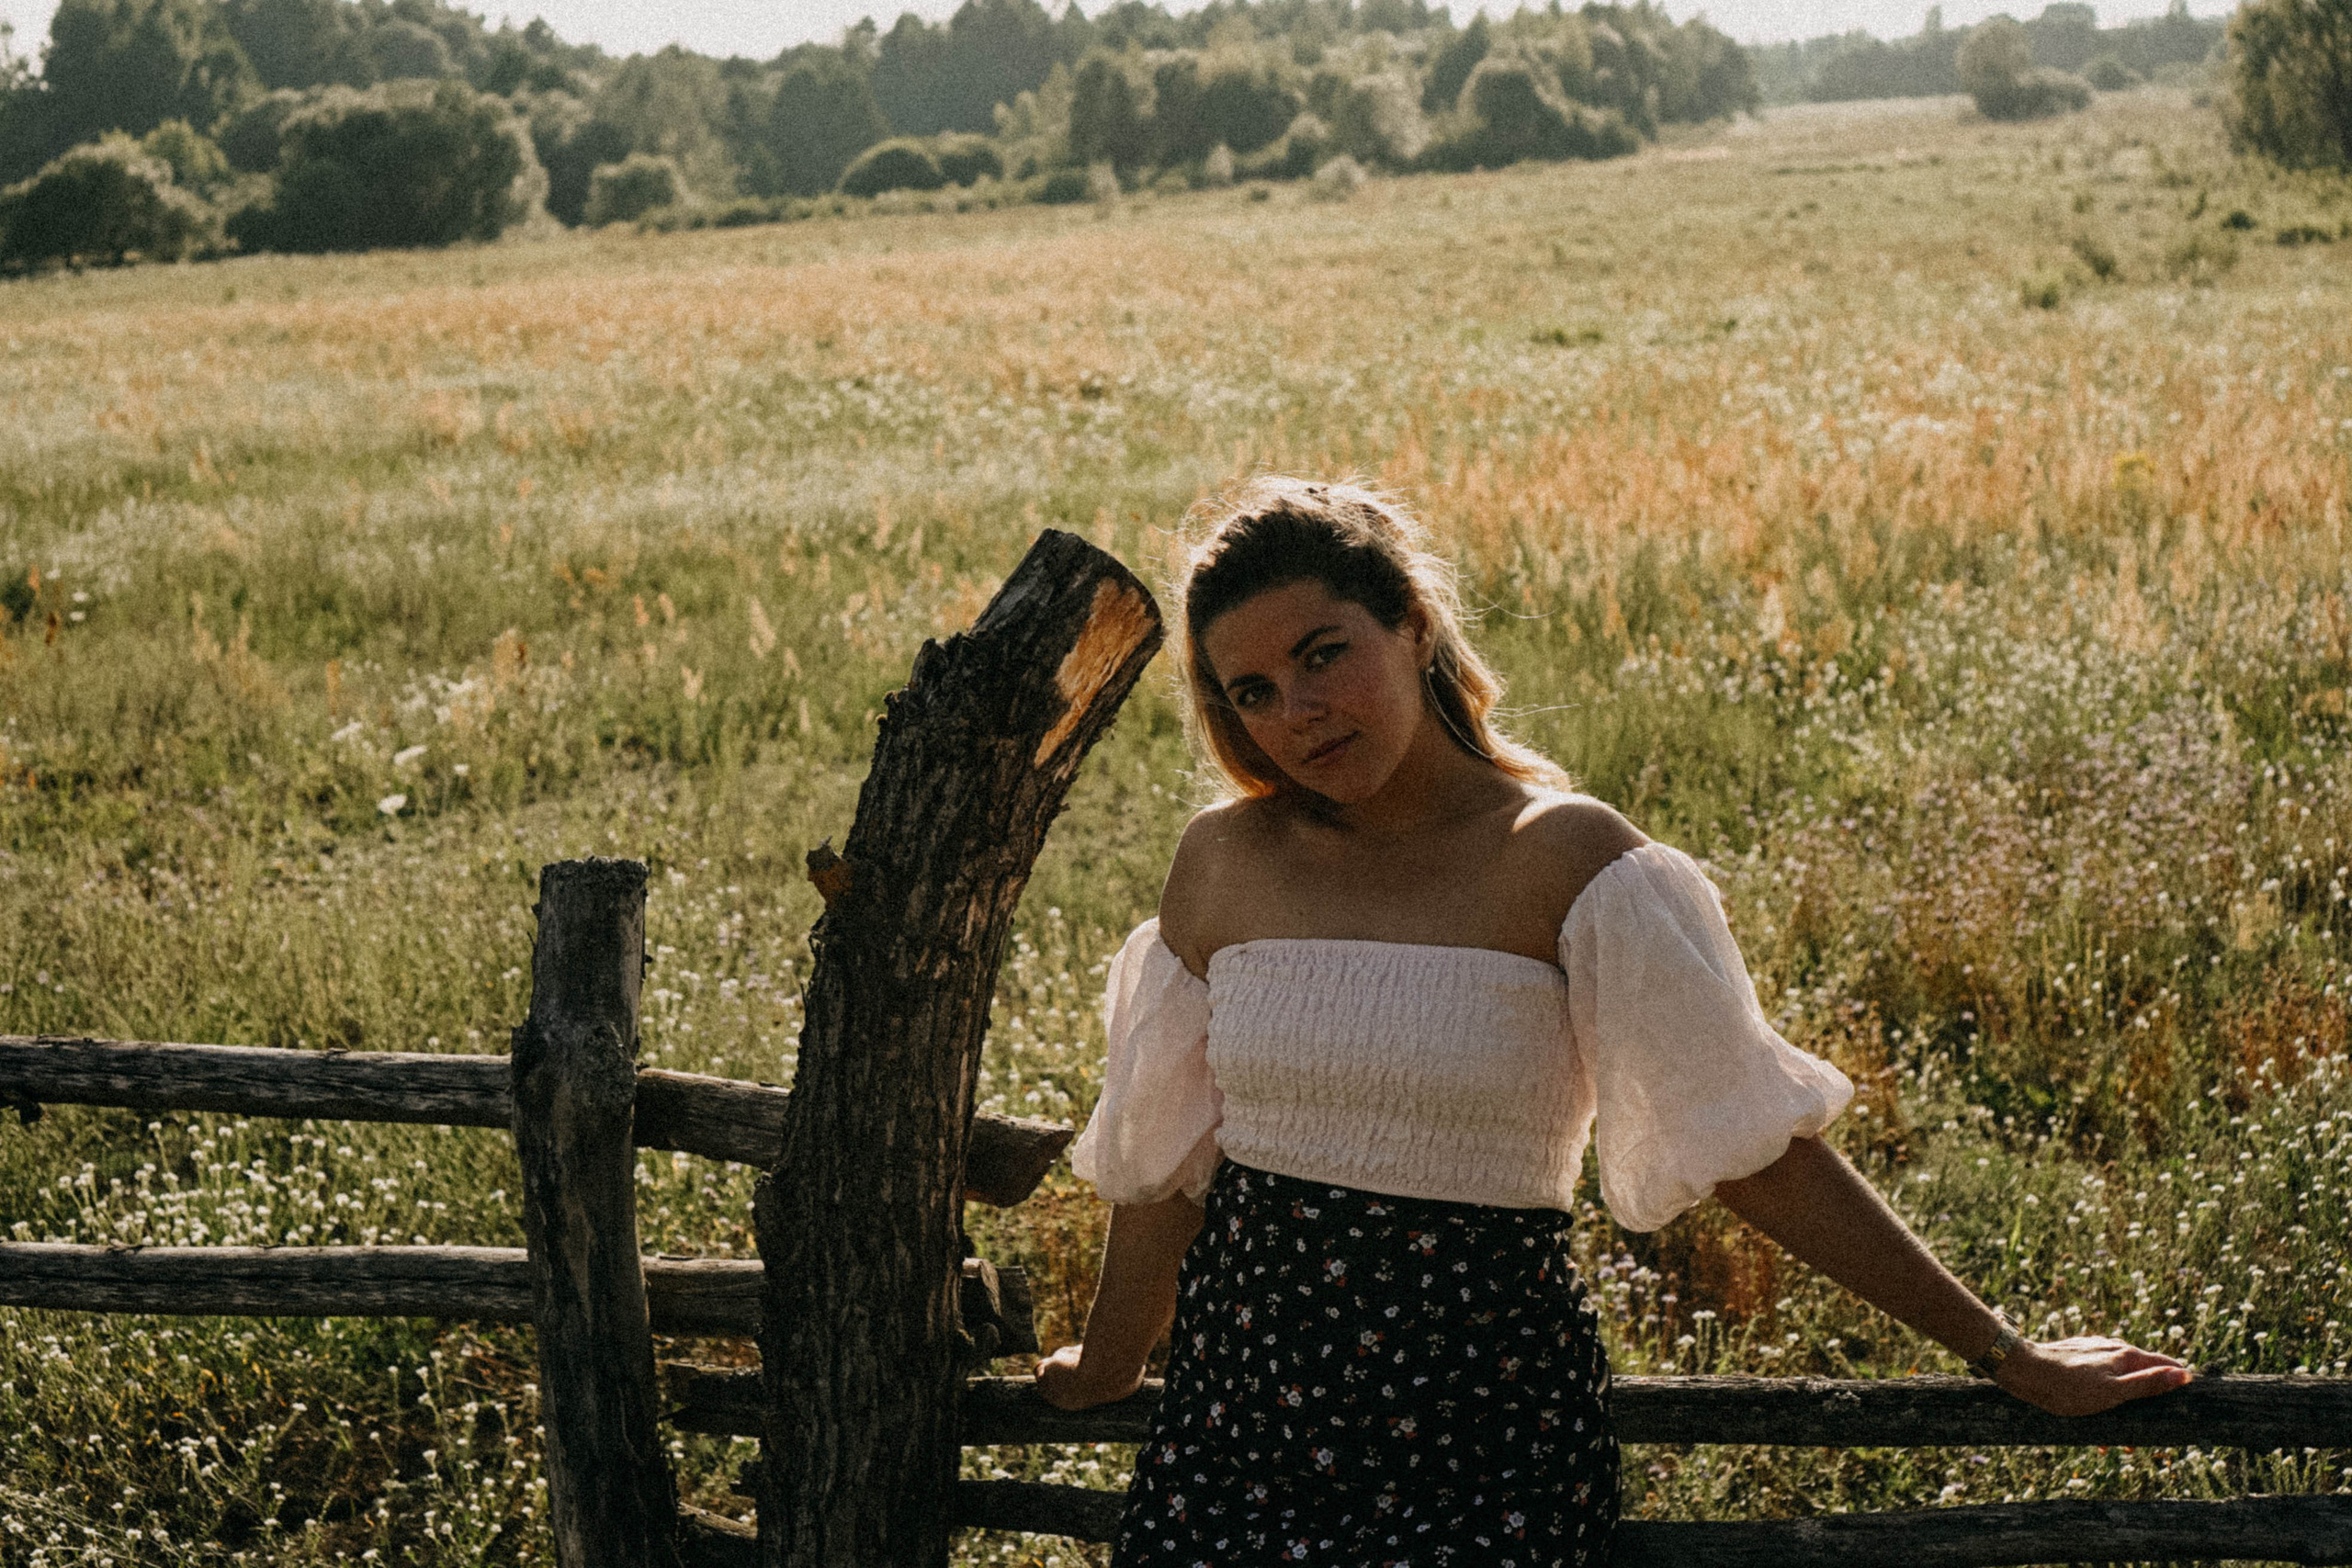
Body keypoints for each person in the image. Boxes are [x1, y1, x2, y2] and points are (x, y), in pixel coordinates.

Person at [1034, 478, 2192, 1566]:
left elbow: (1753, 1151)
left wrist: (2006, 1353)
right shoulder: (1224, 860)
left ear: (1414, 628)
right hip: (1243, 1418)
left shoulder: (1573, 861)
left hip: (1479, 1425)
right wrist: (1110, 1364)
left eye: (1322, 654)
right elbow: (1164, 1168)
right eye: (1251, 692)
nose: (1297, 714)